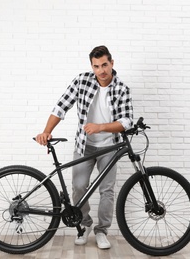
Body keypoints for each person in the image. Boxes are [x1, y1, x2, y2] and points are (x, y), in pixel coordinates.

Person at [35, 45, 133, 249]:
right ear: (92, 66)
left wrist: (101, 127)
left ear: (112, 63)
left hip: (110, 147)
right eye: (96, 66)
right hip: (84, 146)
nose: (101, 71)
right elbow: (62, 106)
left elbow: (126, 121)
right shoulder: (82, 81)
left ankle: (102, 231)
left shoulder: (122, 89)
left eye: (105, 65)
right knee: (79, 187)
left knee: (107, 190)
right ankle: (84, 225)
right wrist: (46, 131)